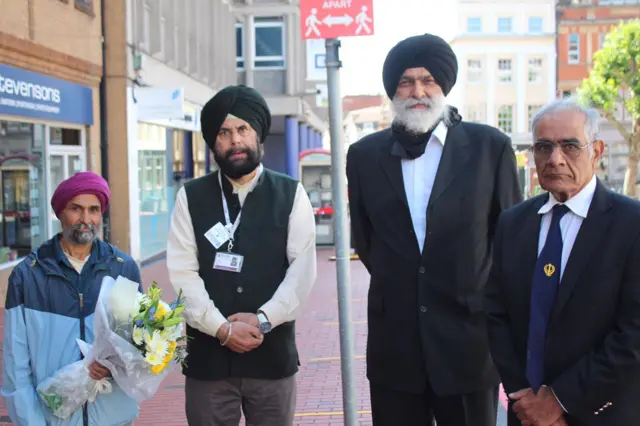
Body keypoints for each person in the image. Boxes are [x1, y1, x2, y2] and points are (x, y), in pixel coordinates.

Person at [346, 33, 523, 426]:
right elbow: (366, 240)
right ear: (393, 90)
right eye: (406, 82)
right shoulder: (363, 156)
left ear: (444, 85)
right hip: (395, 346)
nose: (417, 91)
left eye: (428, 80)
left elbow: (510, 240)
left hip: (468, 344)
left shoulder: (489, 148)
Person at [166, 85, 317, 426]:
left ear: (257, 134)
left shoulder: (290, 194)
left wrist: (264, 319)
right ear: (213, 141)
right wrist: (220, 329)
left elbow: (302, 271)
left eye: (242, 129)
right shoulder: (190, 197)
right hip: (209, 364)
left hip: (271, 359)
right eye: (224, 132)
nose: (235, 140)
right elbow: (182, 273)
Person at [485, 99, 640, 426]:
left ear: (597, 151)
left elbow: (633, 333)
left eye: (570, 146)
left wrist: (559, 402)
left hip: (601, 413)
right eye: (543, 147)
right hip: (525, 414)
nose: (554, 159)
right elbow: (496, 315)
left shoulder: (631, 224)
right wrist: (525, 397)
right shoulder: (513, 224)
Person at [1, 171, 142, 426]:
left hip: (113, 417)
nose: (86, 219)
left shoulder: (123, 269)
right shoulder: (28, 276)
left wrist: (116, 366)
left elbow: (134, 342)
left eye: (94, 209)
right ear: (60, 213)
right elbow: (16, 366)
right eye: (76, 209)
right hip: (51, 419)